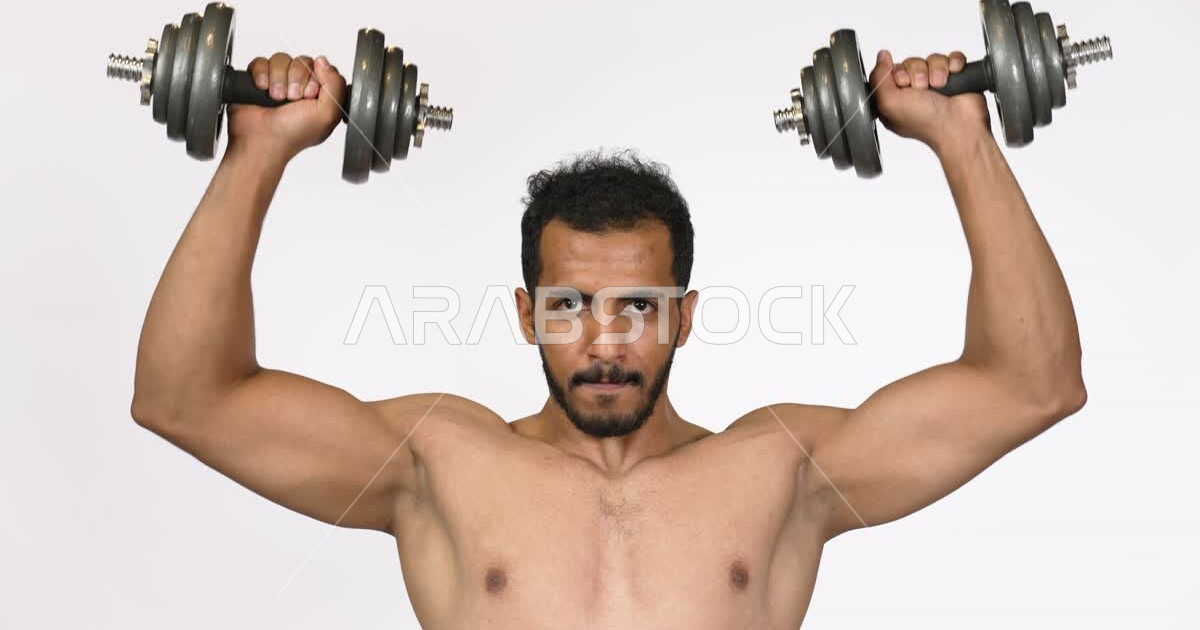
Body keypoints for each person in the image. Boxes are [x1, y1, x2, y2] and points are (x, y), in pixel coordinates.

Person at [131, 48, 1087, 628]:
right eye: (568, 307)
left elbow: (1031, 383)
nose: (602, 341)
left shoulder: (783, 469)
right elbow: (184, 399)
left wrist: (966, 139)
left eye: (636, 307)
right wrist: (255, 154)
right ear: (524, 314)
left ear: (682, 315)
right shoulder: (437, 463)